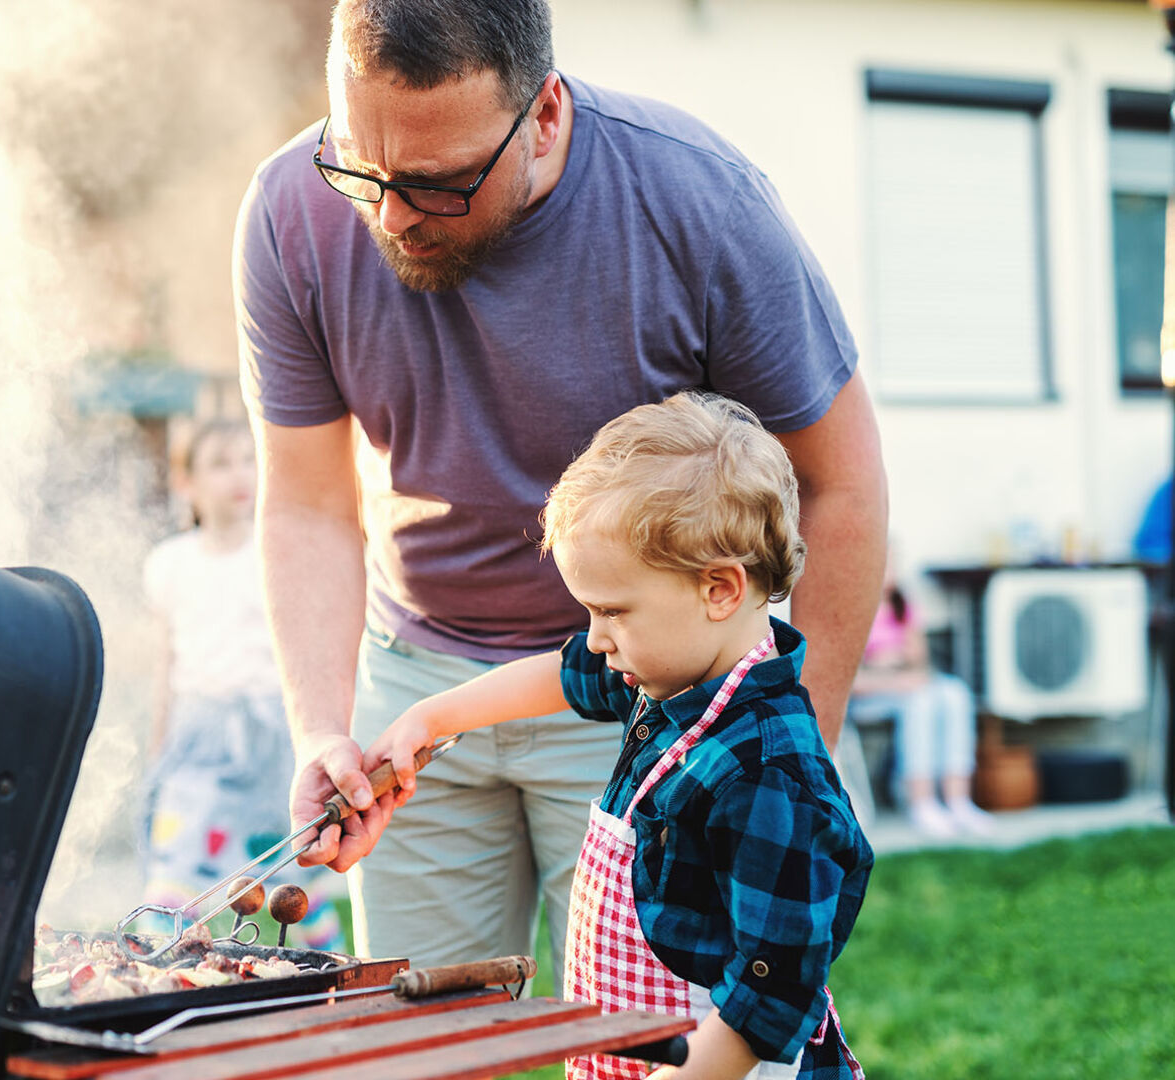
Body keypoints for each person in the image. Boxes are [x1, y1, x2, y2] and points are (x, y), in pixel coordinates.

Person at [233, 0, 888, 979]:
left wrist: (794, 755)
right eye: (359, 166)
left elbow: (840, 484)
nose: (390, 214)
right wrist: (327, 728)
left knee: (655, 1041)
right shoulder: (288, 211)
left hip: (652, 683)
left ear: (542, 115)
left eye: (439, 183)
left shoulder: (699, 205)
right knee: (418, 1041)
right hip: (415, 685)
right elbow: (307, 504)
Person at [369, 393, 871, 1080]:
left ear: (720, 588)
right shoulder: (668, 675)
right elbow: (563, 673)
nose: (596, 637)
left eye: (611, 611)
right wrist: (433, 718)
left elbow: (769, 996)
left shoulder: (769, 774)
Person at [138, 418, 343, 952]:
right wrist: (158, 750)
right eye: (219, 463)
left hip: (271, 736)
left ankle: (304, 979)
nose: (238, 474)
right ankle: (166, 973)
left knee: (275, 875)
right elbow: (167, 666)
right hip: (199, 736)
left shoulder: (275, 553)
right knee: (178, 868)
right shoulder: (169, 564)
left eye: (248, 459)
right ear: (186, 482)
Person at [848, 557, 993, 839]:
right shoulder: (852, 609)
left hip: (906, 686)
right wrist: (889, 675)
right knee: (920, 702)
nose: (890, 571)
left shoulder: (904, 607)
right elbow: (851, 680)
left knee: (955, 693)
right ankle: (921, 800)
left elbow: (920, 663)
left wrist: (901, 665)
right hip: (869, 698)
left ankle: (958, 799)